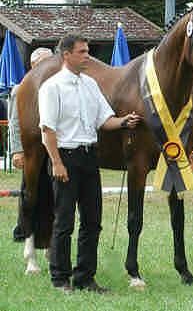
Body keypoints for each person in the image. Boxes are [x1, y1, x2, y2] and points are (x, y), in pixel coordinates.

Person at [39, 34, 142, 294]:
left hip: (88, 159)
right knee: (64, 223)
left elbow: (103, 120)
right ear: (67, 55)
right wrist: (56, 163)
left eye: (87, 51)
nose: (88, 55)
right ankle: (60, 279)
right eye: (82, 51)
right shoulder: (52, 88)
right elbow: (47, 131)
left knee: (93, 222)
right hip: (65, 157)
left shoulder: (90, 85)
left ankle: (85, 277)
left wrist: (123, 122)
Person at [9, 48, 54, 258]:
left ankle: (51, 240)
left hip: (52, 151)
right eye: (43, 63)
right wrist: (17, 150)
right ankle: (26, 233)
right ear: (33, 65)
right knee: (29, 192)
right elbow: (14, 123)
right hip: (32, 151)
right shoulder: (21, 89)